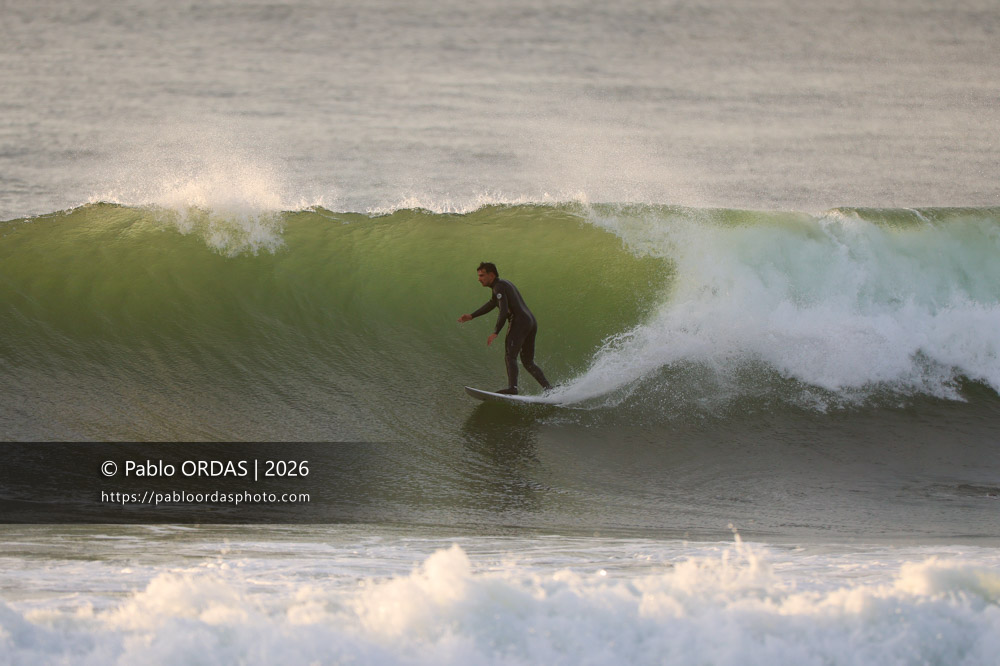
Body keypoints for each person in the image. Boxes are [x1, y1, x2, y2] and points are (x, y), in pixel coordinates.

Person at [457, 262, 552, 395]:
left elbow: (502, 310)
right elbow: (492, 303)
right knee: (528, 362)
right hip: (530, 322)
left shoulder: (498, 287)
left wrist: (496, 331)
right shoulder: (503, 284)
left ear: (491, 275)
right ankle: (549, 388)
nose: (479, 279)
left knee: (510, 356)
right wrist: (472, 316)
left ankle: (512, 388)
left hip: (519, 322)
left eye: (482, 275)